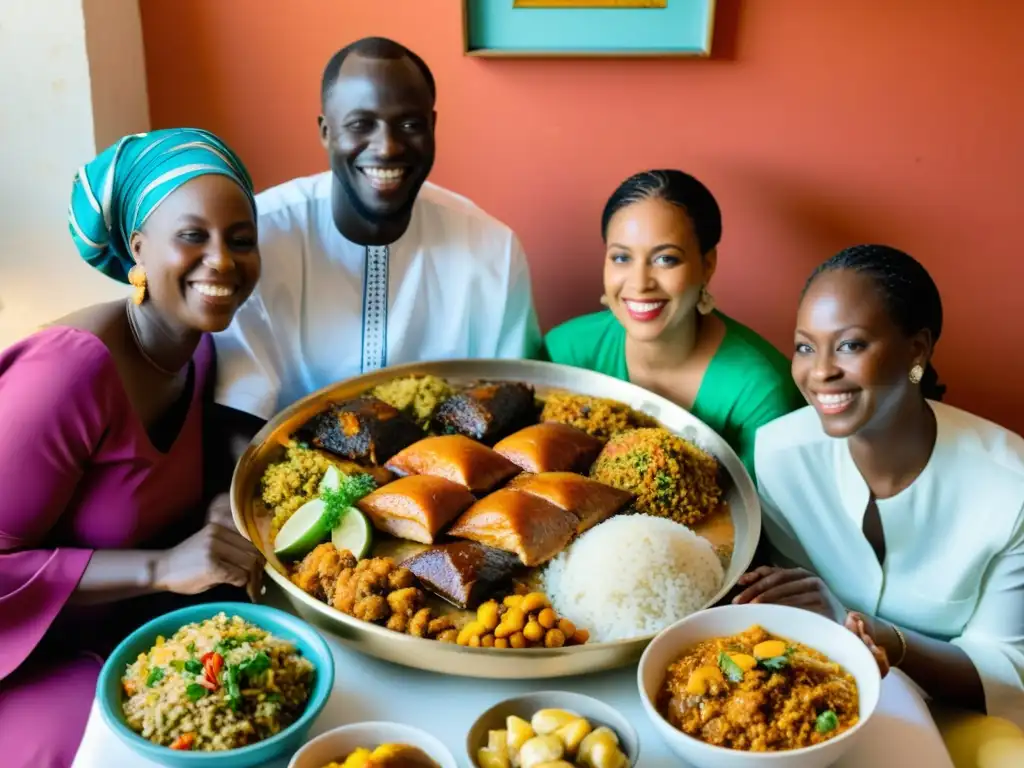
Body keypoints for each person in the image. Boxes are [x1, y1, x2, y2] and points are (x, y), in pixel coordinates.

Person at [0, 128, 265, 768]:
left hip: (134, 635)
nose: (222, 261)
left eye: (240, 238)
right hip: (31, 669)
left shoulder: (199, 352)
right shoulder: (67, 374)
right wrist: (160, 568)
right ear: (139, 248)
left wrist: (219, 509)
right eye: (192, 236)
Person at [735, 245, 1024, 726]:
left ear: (917, 349)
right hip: (821, 705)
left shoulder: (1010, 490)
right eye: (806, 346)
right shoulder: (780, 455)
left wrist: (887, 639)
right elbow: (794, 621)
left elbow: (1009, 675)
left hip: (960, 720)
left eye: (850, 345)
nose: (821, 371)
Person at [213, 36, 542, 429]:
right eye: (360, 125)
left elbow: (514, 408)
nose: (387, 147)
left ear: (432, 127)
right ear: (325, 131)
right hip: (290, 476)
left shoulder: (492, 250)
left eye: (409, 124)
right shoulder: (259, 236)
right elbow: (237, 416)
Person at [544, 170, 803, 479]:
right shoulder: (564, 352)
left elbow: (763, 519)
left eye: (666, 259)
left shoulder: (759, 391)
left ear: (707, 265)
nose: (640, 284)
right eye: (621, 258)